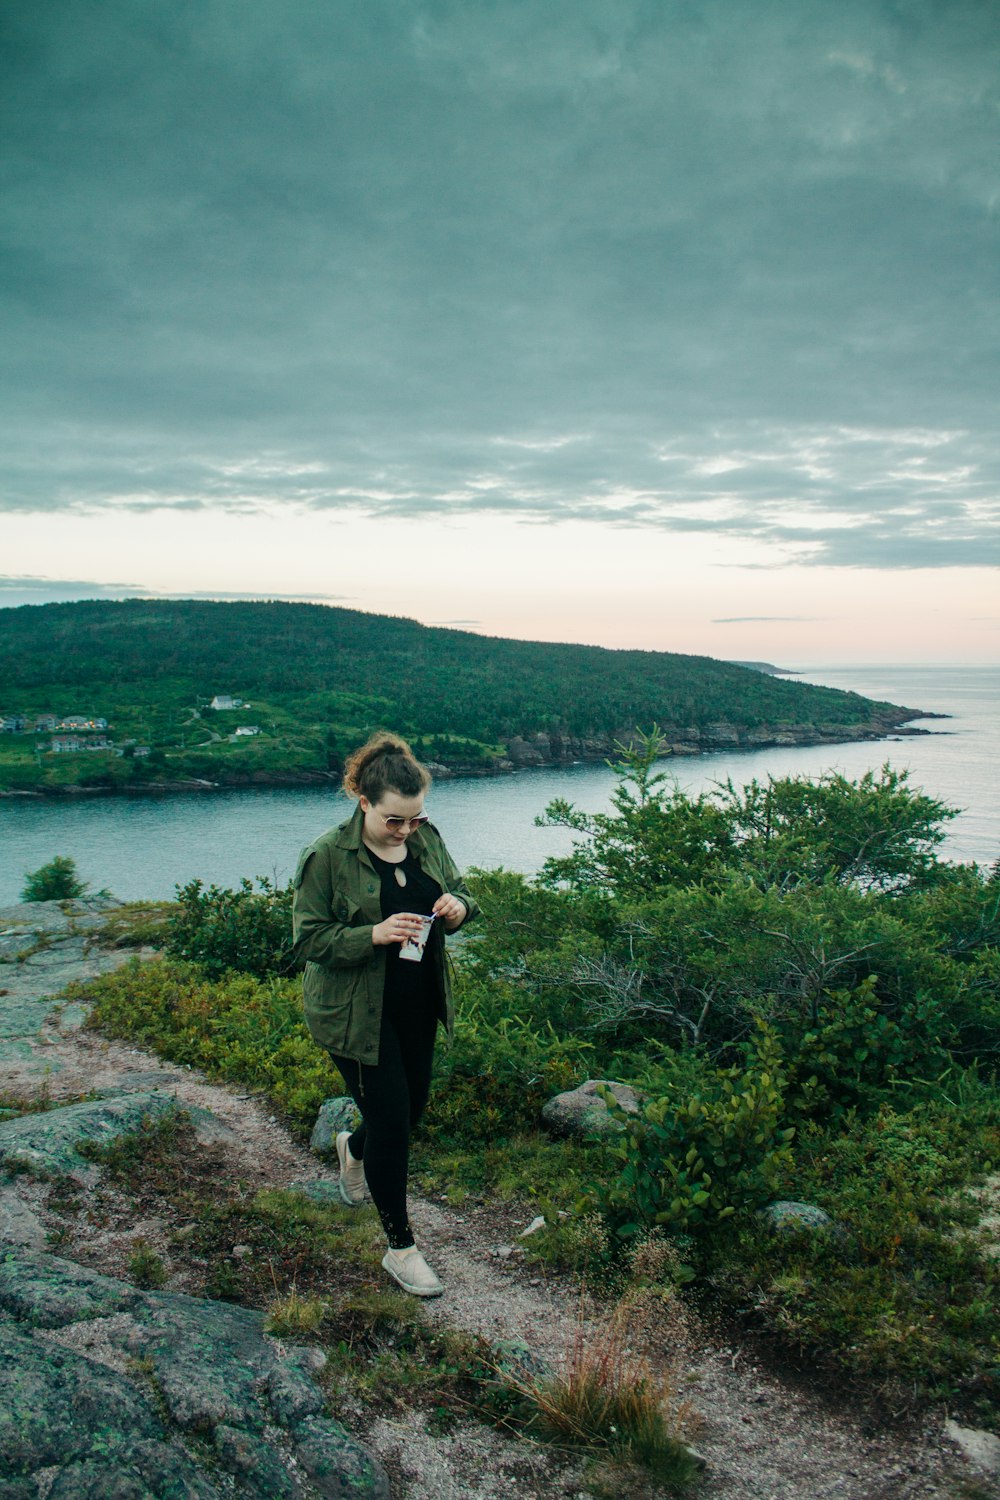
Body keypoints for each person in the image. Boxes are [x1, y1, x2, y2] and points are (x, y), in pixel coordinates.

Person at [291, 731, 479, 1297]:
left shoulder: (426, 839)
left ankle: (353, 1147)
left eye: (415, 819)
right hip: (354, 1016)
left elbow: (466, 893)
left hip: (419, 1003)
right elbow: (307, 940)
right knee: (395, 1121)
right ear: (364, 801)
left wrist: (457, 909)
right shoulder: (326, 856)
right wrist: (370, 934)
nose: (406, 830)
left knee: (409, 1109)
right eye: (395, 821)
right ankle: (401, 1249)